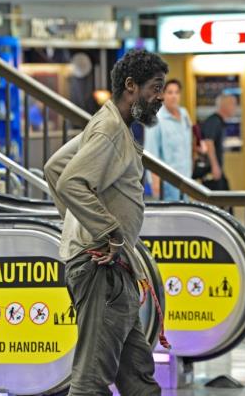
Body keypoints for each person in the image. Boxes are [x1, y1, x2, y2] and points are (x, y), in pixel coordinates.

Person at [44, 49, 167, 396]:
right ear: (131, 86)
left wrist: (79, 224)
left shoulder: (107, 122)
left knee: (138, 377)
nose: (159, 97)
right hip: (102, 271)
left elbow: (55, 167)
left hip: (113, 271)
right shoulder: (111, 129)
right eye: (155, 88)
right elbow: (70, 181)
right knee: (91, 380)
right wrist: (106, 233)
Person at [144, 78, 193, 200]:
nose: (174, 96)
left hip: (187, 181)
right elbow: (151, 154)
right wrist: (155, 184)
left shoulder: (184, 114)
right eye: (170, 92)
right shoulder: (155, 119)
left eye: (177, 92)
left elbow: (189, 142)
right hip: (167, 183)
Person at [201, 93, 237, 190]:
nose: (235, 108)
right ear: (225, 105)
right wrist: (214, 166)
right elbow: (208, 142)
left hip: (216, 170)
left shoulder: (220, 122)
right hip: (210, 171)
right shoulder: (214, 121)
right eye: (233, 104)